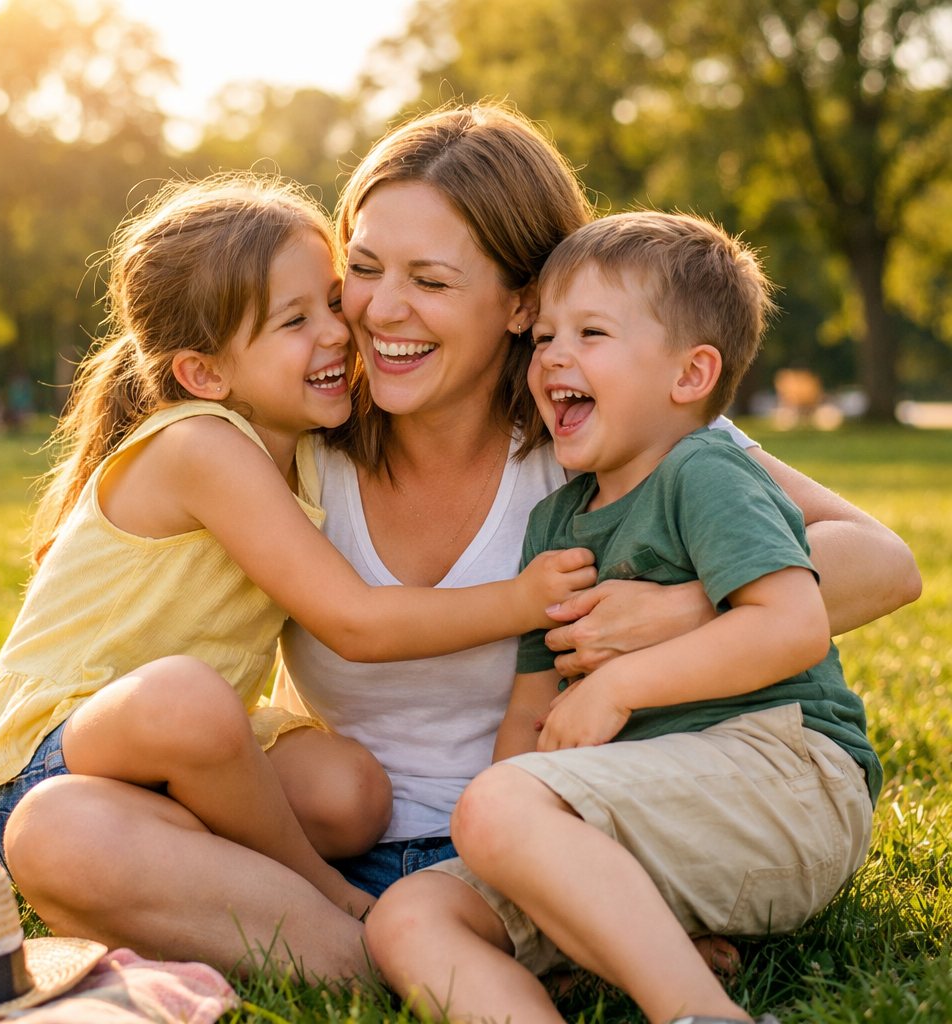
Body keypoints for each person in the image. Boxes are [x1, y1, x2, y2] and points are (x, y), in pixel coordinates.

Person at [270, 103, 918, 915]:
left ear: (521, 303)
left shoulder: (606, 421)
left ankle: (427, 941)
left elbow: (883, 563)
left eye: (429, 280)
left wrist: (684, 612)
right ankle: (418, 938)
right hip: (340, 835)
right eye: (362, 269)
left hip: (559, 829)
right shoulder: (299, 432)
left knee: (434, 914)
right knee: (77, 829)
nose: (380, 310)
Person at [0, 173, 597, 976]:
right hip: (55, 755)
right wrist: (523, 599)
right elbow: (355, 622)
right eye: (296, 320)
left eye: (330, 299)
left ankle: (300, 912)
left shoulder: (298, 441)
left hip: (181, 752)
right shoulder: (203, 447)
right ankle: (348, 919)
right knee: (183, 699)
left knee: (351, 791)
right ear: (205, 375)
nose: (338, 331)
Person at [366, 212, 882, 1024]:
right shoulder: (557, 524)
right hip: (641, 814)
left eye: (592, 333)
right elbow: (530, 712)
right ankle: (622, 954)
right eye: (545, 337)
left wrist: (623, 685)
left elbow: (793, 625)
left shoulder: (704, 471)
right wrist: (501, 839)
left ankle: (705, 1015)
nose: (554, 356)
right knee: (409, 916)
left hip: (784, 775)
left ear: (690, 375)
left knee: (499, 808)